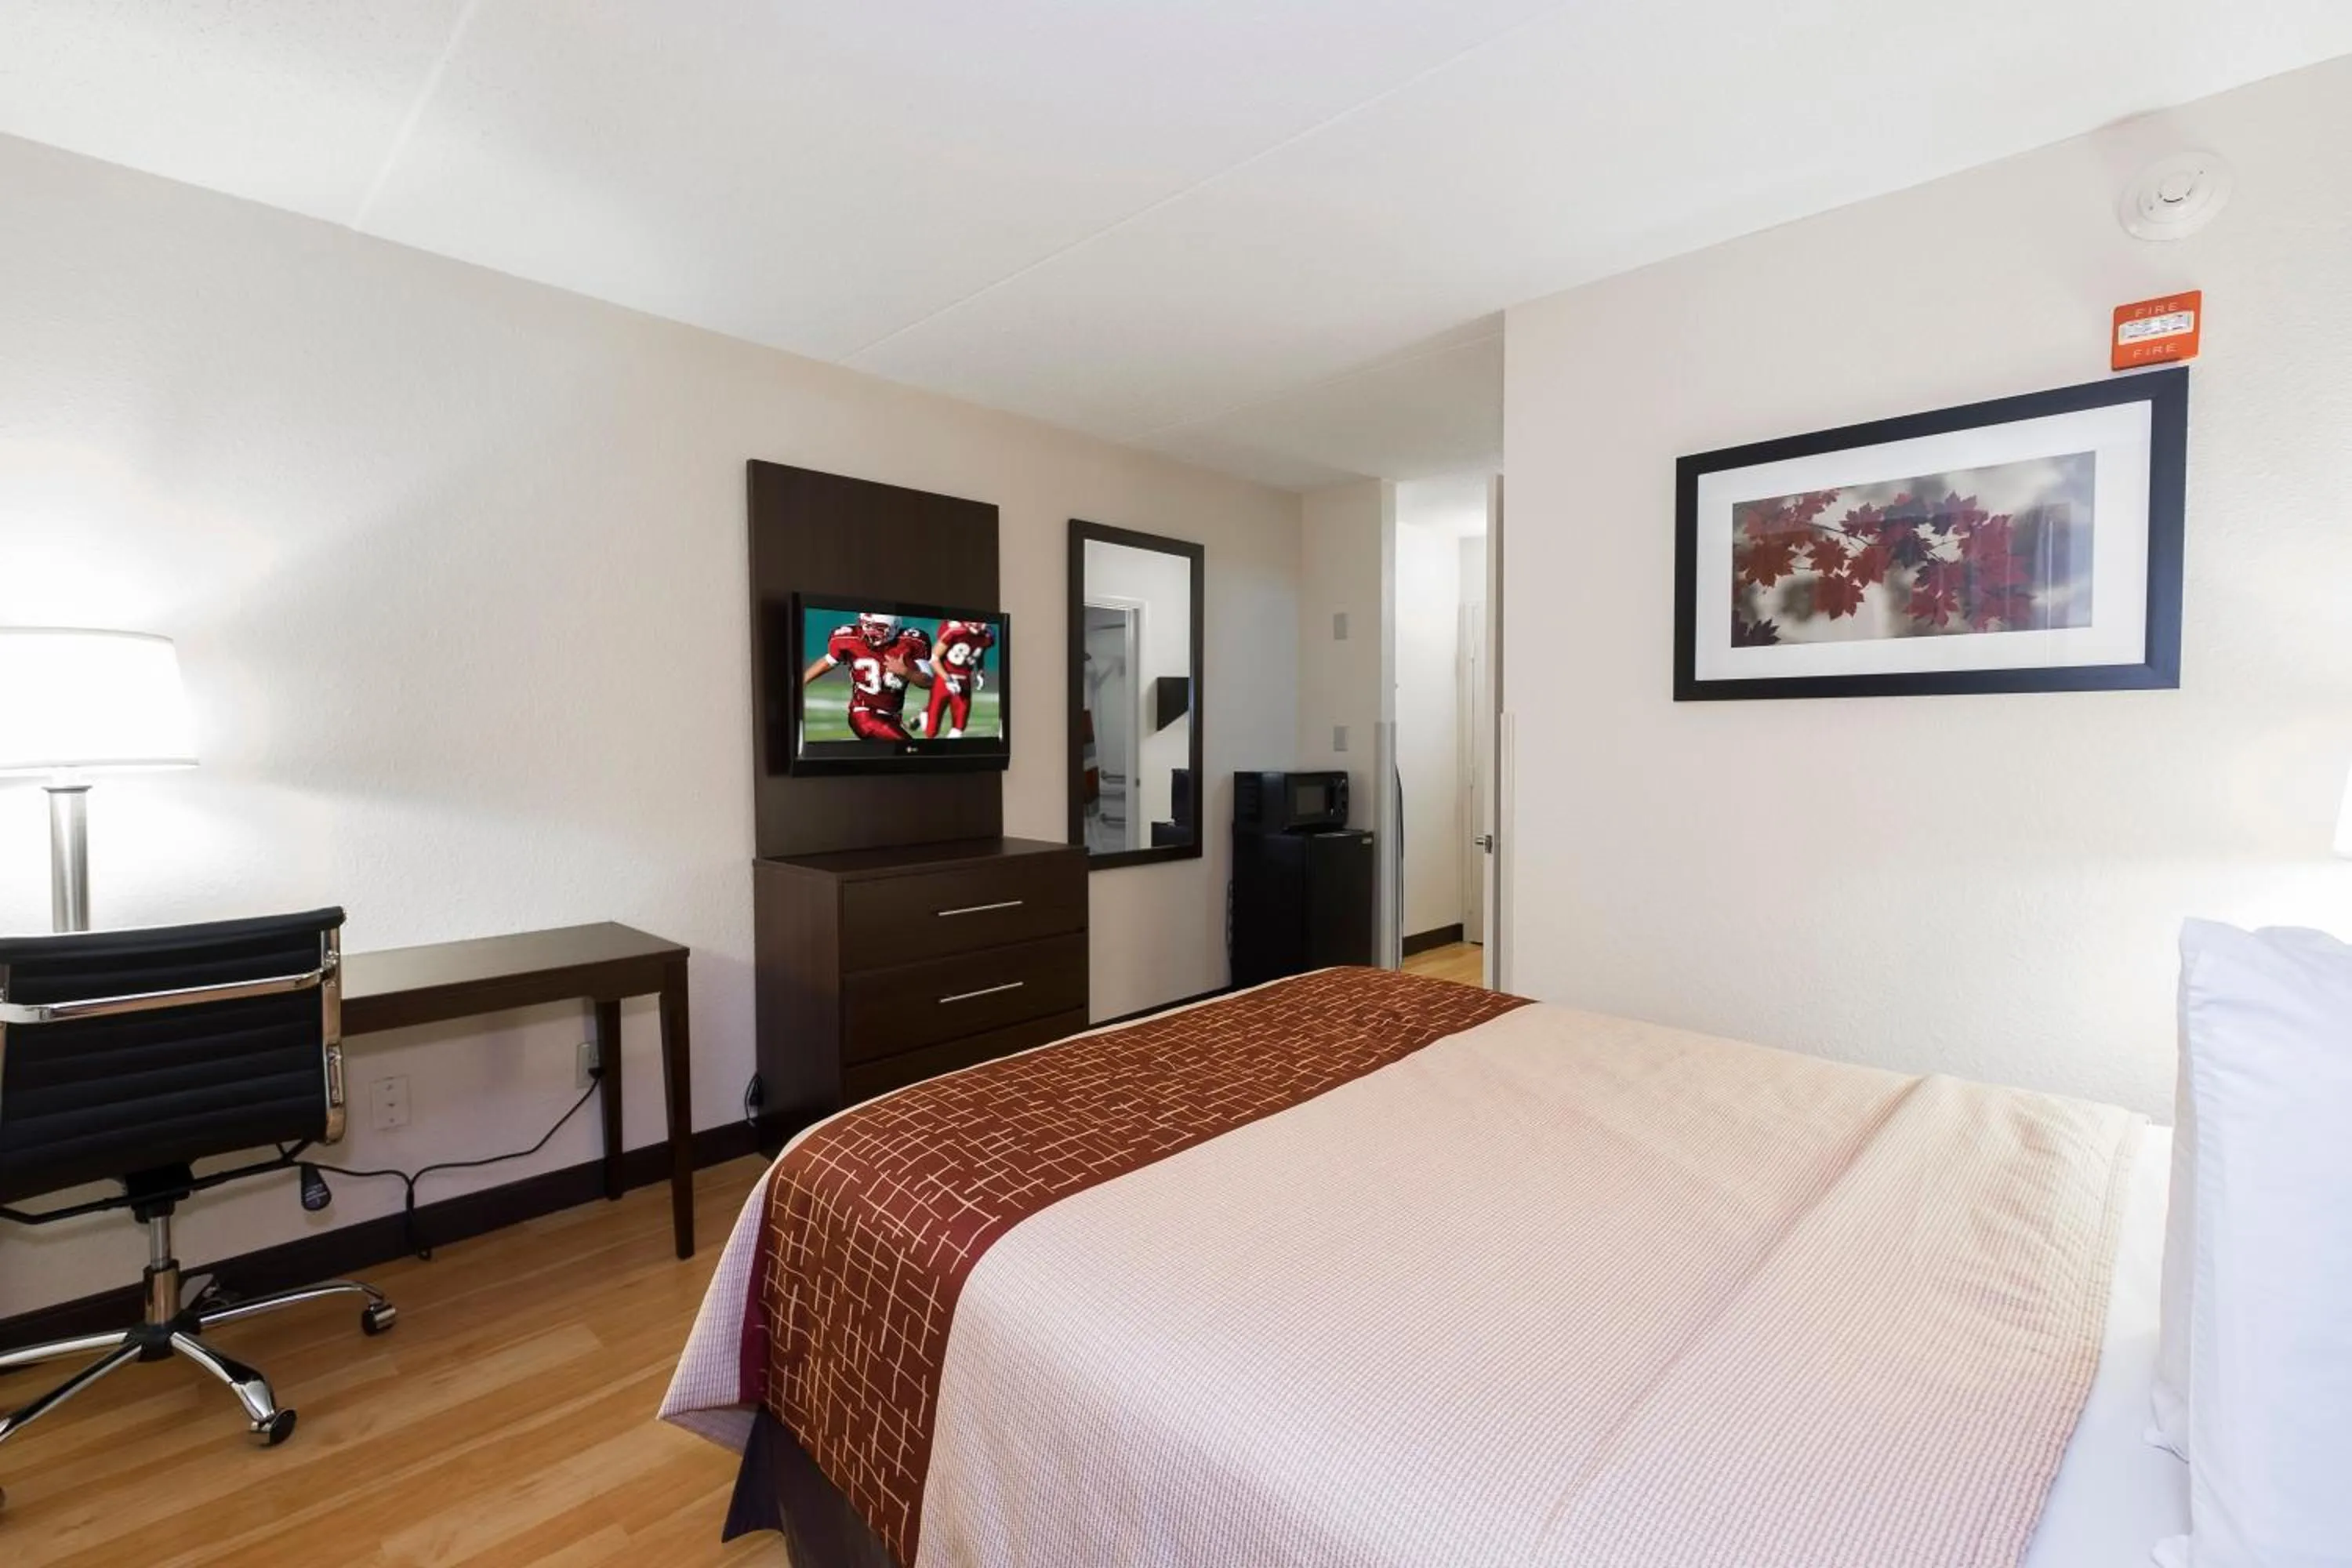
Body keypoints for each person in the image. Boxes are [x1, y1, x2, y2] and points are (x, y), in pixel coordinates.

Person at [801, 612, 930, 742]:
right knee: (909, 749)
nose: (869, 632)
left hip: (892, 717)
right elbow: (829, 661)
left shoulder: (912, 642)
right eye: (866, 625)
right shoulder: (849, 639)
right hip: (864, 715)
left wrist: (906, 672)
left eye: (878, 628)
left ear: (894, 628)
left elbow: (929, 682)